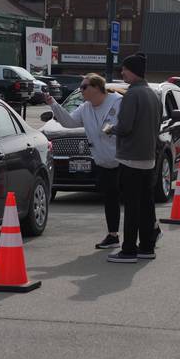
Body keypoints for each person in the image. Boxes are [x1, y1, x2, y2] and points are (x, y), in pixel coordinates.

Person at [45, 74, 124, 249]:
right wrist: (53, 104)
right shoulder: (85, 107)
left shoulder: (117, 102)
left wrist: (113, 130)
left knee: (134, 199)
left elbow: (129, 126)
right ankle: (113, 236)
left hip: (123, 160)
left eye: (84, 87)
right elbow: (69, 122)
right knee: (110, 199)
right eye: (81, 87)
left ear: (96, 88)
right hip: (103, 161)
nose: (81, 90)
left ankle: (151, 229)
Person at [105, 53, 162, 263]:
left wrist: (111, 129)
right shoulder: (154, 95)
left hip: (130, 157)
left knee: (131, 205)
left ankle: (128, 249)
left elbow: (126, 126)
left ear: (134, 71)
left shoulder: (131, 95)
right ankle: (147, 246)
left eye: (125, 69)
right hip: (148, 155)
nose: (122, 73)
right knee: (146, 204)